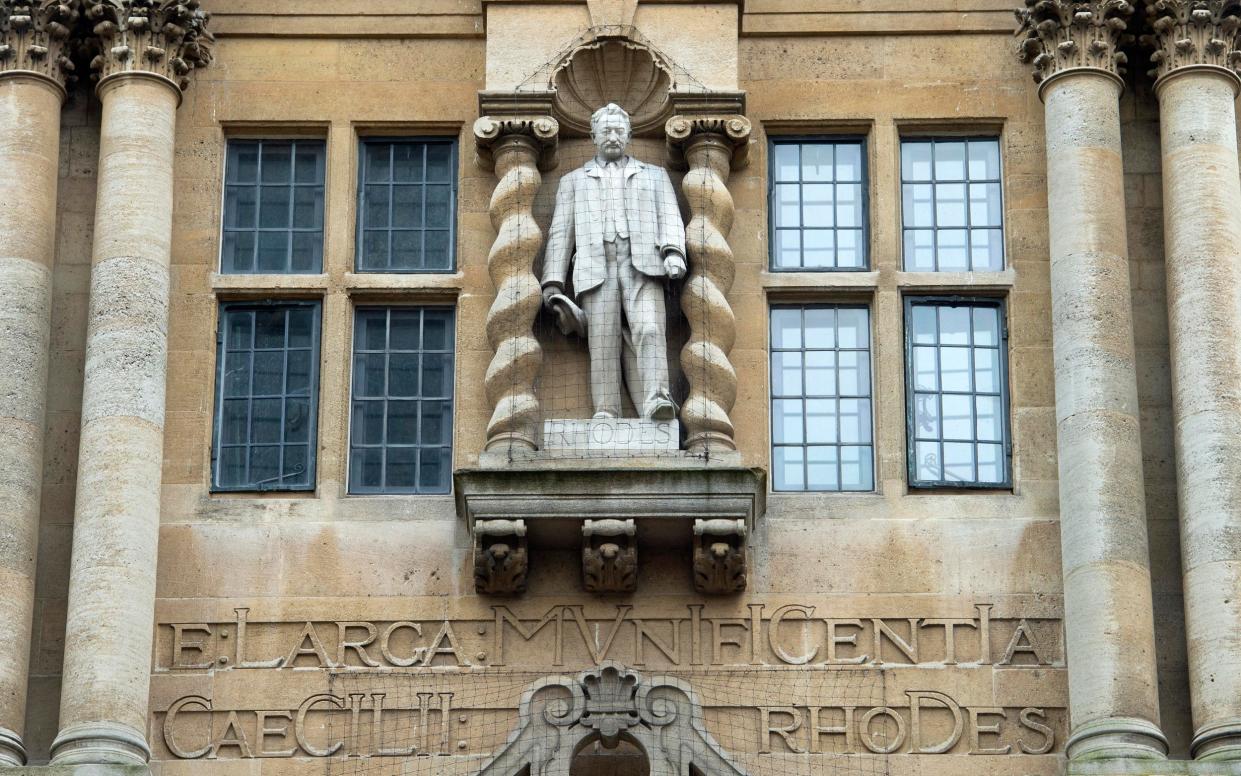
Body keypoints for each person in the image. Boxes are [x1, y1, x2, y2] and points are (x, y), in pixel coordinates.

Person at [541, 103, 687, 421]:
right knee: (602, 341)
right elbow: (560, 233)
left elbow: (670, 217)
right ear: (593, 135)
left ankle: (657, 400)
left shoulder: (655, 175)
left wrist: (674, 251)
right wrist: (552, 282)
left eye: (619, 130)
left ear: (629, 135)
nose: (613, 136)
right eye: (606, 130)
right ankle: (606, 410)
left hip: (644, 264)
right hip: (595, 266)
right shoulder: (573, 181)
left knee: (649, 329)